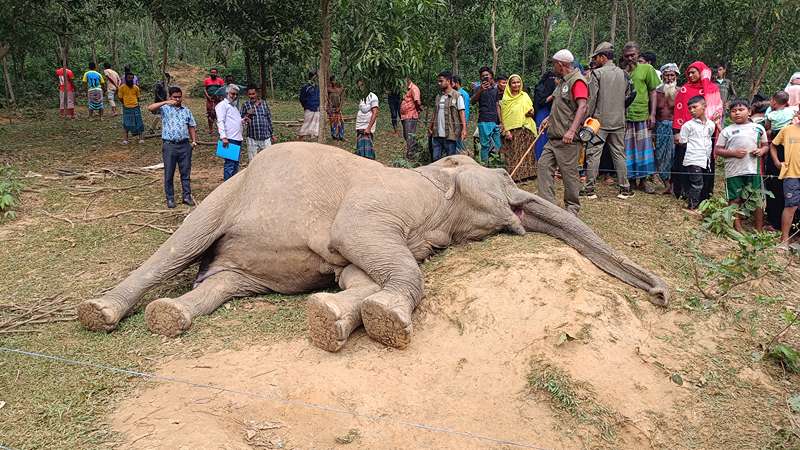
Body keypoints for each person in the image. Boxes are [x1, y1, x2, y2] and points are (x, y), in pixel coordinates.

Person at [537, 49, 588, 216]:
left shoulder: (577, 81)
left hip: (567, 139)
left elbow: (582, 106)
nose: (553, 67)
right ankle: (547, 206)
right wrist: (549, 118)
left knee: (569, 174)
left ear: (561, 64)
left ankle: (572, 208)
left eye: (554, 63)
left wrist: (572, 130)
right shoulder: (562, 83)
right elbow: (561, 107)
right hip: (553, 137)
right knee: (543, 166)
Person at [584, 42, 633, 199]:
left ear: (602, 57)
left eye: (596, 57)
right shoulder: (624, 74)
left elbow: (591, 99)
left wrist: (587, 119)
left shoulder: (597, 74)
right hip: (619, 120)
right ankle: (625, 189)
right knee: (619, 154)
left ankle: (589, 189)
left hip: (599, 121)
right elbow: (629, 95)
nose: (595, 60)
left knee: (593, 154)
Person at [672, 61, 723, 201]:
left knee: (705, 161)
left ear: (702, 72)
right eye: (688, 72)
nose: (690, 75)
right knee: (685, 159)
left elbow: (717, 109)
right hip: (687, 132)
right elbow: (679, 110)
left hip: (706, 132)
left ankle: (705, 193)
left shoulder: (712, 89)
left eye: (694, 72)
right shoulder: (684, 89)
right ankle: (684, 192)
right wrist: (677, 131)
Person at [715, 99, 768, 231]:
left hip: (753, 169)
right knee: (735, 199)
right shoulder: (726, 131)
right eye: (733, 111)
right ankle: (738, 227)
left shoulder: (758, 128)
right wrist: (733, 153)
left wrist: (761, 151)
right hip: (734, 171)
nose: (737, 113)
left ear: (749, 111)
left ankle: (759, 229)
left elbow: (766, 146)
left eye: (741, 110)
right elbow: (718, 150)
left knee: (757, 200)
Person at [147, 87, 198, 208]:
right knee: (169, 172)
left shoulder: (186, 110)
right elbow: (150, 108)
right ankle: (170, 198)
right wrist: (165, 102)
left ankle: (187, 196)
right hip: (170, 145)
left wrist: (194, 140)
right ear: (170, 97)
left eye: (179, 97)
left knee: (185, 172)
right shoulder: (164, 109)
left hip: (184, 145)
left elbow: (191, 126)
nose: (177, 99)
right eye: (175, 97)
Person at [622, 42, 660, 193]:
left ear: (638, 54)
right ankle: (630, 180)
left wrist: (652, 114)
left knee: (644, 149)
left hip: (642, 114)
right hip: (626, 116)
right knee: (628, 148)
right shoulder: (622, 72)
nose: (630, 58)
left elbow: (653, 92)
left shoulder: (647, 69)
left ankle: (644, 181)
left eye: (633, 55)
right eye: (627, 56)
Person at [764, 90, 800, 230]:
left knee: (775, 185)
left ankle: (776, 222)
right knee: (778, 185)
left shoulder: (772, 114)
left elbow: (768, 129)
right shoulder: (790, 121)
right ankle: (784, 226)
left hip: (781, 153)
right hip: (783, 153)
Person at [679, 96, 717, 212]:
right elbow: (682, 142)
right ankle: (692, 207)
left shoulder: (711, 125)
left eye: (695, 107)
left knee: (702, 182)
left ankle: (698, 204)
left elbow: (710, 137)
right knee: (697, 183)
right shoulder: (687, 126)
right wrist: (694, 149)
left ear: (704, 106)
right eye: (690, 108)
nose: (692, 110)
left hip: (705, 159)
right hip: (693, 157)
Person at [498, 74, 537, 181]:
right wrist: (506, 131)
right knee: (513, 154)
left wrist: (531, 112)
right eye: (514, 83)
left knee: (527, 152)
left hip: (526, 128)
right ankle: (515, 177)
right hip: (512, 131)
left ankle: (529, 175)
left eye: (518, 82)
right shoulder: (505, 100)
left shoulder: (525, 96)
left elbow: (532, 110)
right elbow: (503, 117)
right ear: (509, 85)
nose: (516, 85)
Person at [770, 109, 800, 247]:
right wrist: (776, 162)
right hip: (791, 174)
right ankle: (784, 239)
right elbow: (773, 145)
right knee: (790, 205)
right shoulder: (787, 130)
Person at [429, 71, 467, 161]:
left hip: (450, 134)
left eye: (441, 81)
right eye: (438, 81)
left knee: (450, 161)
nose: (439, 83)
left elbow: (462, 113)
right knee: (436, 160)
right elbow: (435, 112)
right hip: (437, 134)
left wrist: (464, 129)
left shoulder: (457, 96)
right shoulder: (438, 97)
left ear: (448, 81)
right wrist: (430, 126)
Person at [654, 63, 679, 194]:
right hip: (660, 127)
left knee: (674, 156)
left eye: (672, 75)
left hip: (675, 128)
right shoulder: (657, 92)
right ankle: (667, 184)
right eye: (667, 75)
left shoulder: (680, 92)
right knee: (660, 156)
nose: (669, 78)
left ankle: (674, 184)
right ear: (662, 76)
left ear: (676, 77)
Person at [471, 66, 502, 163]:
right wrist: (480, 90)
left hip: (495, 121)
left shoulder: (496, 89)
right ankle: (484, 166)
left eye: (487, 75)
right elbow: (472, 101)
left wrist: (501, 121)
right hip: (483, 120)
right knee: (485, 146)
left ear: (491, 76)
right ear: (480, 78)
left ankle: (496, 164)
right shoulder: (478, 88)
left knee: (498, 145)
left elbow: (497, 105)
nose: (485, 77)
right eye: (483, 76)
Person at [216, 84, 244, 180]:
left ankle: (233, 185)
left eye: (236, 94)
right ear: (227, 93)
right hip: (230, 139)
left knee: (235, 163)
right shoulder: (222, 105)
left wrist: (243, 120)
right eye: (232, 94)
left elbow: (234, 121)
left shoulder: (234, 106)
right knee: (230, 164)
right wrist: (223, 137)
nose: (234, 96)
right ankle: (227, 186)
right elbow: (220, 121)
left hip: (237, 138)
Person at [241, 86, 275, 162]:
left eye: (253, 94)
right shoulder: (245, 105)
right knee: (252, 161)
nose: (251, 96)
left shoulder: (264, 104)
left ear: (257, 94)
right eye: (249, 94)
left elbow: (268, 119)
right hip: (252, 137)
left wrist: (272, 134)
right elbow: (241, 119)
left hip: (265, 136)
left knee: (268, 159)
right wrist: (247, 114)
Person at [532, 71, 556, 160]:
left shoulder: (558, 87)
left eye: (554, 78)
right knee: (541, 138)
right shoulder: (540, 88)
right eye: (551, 78)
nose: (553, 81)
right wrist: (552, 96)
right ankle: (540, 160)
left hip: (553, 114)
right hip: (542, 114)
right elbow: (541, 102)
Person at [118, 72, 145, 145]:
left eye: (132, 78)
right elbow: (120, 98)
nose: (130, 79)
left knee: (139, 122)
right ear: (126, 78)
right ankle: (125, 139)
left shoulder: (136, 88)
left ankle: (141, 138)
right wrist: (125, 104)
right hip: (126, 108)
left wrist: (135, 103)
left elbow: (138, 97)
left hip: (136, 107)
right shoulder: (122, 87)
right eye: (129, 78)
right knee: (126, 123)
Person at [355, 80, 379, 159]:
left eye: (362, 85)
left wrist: (369, 128)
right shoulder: (362, 98)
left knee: (367, 150)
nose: (360, 88)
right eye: (359, 86)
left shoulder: (373, 97)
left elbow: (375, 113)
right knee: (360, 150)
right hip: (360, 127)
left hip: (366, 128)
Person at [400, 77, 422, 158]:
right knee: (406, 135)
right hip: (405, 116)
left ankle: (411, 154)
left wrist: (418, 109)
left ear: (408, 80)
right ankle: (414, 150)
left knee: (409, 135)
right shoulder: (405, 89)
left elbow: (417, 101)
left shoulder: (414, 88)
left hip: (411, 115)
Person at [298, 71, 320, 140]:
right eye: (315, 77)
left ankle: (312, 138)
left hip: (317, 109)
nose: (316, 79)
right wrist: (306, 106)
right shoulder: (306, 87)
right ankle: (300, 138)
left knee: (315, 126)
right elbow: (302, 98)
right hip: (309, 109)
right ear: (311, 77)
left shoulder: (318, 87)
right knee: (306, 125)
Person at [204, 68, 225, 134]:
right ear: (210, 73)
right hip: (209, 100)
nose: (213, 73)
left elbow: (223, 90)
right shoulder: (207, 80)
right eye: (212, 72)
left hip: (218, 100)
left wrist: (220, 98)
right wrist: (208, 97)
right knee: (210, 114)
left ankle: (220, 129)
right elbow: (204, 89)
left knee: (219, 114)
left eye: (215, 72)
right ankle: (211, 130)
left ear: (217, 73)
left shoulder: (220, 80)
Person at [453, 75, 471, 153]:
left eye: (452, 83)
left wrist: (463, 124)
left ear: (457, 83)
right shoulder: (463, 93)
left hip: (460, 122)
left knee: (459, 142)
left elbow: (464, 110)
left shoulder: (461, 94)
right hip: (459, 122)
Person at [327, 76, 345, 140]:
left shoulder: (339, 89)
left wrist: (339, 107)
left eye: (335, 80)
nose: (334, 82)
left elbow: (342, 98)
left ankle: (341, 135)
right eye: (333, 81)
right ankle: (334, 135)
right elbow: (327, 98)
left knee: (341, 122)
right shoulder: (328, 89)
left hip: (338, 107)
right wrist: (329, 107)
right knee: (333, 122)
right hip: (332, 108)